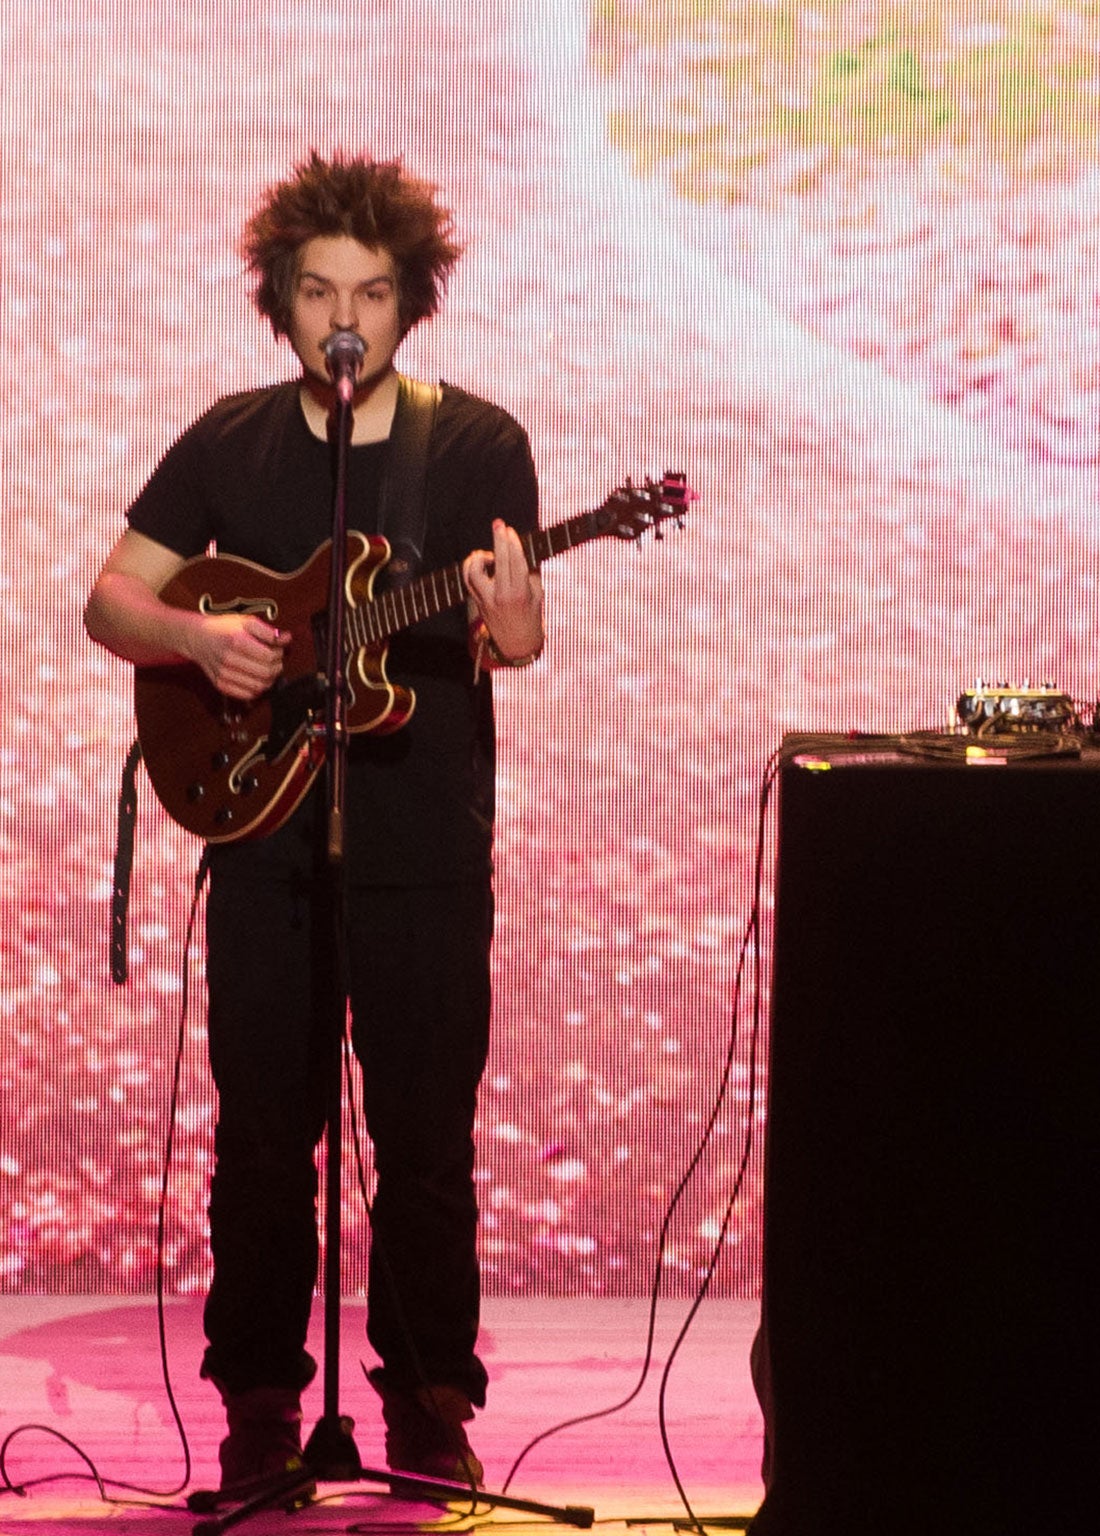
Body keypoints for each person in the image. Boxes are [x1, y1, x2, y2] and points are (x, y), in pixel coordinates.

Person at [83, 151, 543, 1492]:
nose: (348, 315)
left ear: (414, 305)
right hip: (267, 846)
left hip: (424, 851)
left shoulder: (476, 444)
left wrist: (511, 608)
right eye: (321, 290)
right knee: (263, 1134)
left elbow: (517, 634)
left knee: (425, 1131)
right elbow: (112, 602)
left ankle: (429, 1402)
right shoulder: (229, 439)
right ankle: (261, 1411)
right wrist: (196, 637)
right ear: (281, 303)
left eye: (375, 292)